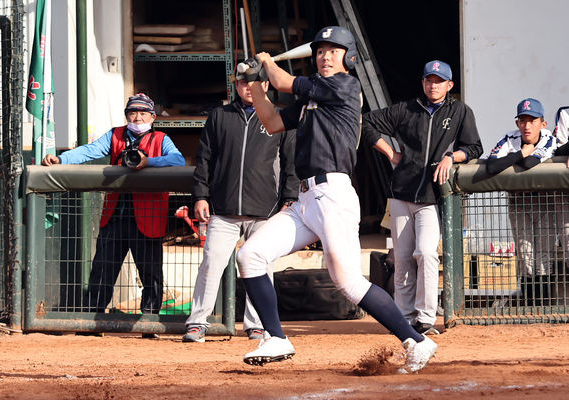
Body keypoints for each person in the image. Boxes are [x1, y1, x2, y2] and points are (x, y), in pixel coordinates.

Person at [235, 26, 437, 373]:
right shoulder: (313, 95)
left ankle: (417, 341)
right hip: (306, 199)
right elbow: (269, 121)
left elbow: (283, 83)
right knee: (251, 254)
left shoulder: (344, 85)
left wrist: (266, 61)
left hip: (333, 194)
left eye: (333, 50)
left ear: (348, 57)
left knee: (348, 282)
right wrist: (254, 80)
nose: (325, 56)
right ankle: (276, 336)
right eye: (320, 51)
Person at [41, 93, 186, 327]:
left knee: (151, 273)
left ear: (152, 116)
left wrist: (148, 162)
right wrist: (62, 159)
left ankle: (149, 321)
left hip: (148, 219)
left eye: (142, 113)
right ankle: (90, 320)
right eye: (132, 112)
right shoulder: (115, 134)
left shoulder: (162, 138)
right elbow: (89, 150)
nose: (137, 117)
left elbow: (178, 161)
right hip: (114, 217)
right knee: (102, 270)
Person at [363, 60, 483, 335]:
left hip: (430, 197)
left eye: (439, 80)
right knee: (403, 259)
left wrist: (451, 157)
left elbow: (474, 147)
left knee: (427, 254)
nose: (433, 84)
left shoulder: (460, 110)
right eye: (429, 79)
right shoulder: (407, 109)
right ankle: (403, 319)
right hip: (400, 194)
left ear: (449, 85)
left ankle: (426, 319)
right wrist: (391, 153)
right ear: (423, 82)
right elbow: (366, 122)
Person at [182, 74, 298, 343]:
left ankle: (256, 324)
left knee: (261, 267)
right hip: (224, 209)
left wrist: (289, 199)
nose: (249, 88)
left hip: (266, 209)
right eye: (244, 82)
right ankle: (198, 322)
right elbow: (204, 160)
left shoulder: (282, 118)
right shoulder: (219, 116)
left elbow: (291, 164)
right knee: (211, 263)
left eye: (256, 82)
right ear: (235, 85)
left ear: (267, 86)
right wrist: (201, 196)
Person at [487, 98, 557, 305]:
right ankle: (529, 306)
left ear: (542, 124)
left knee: (544, 257)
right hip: (518, 200)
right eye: (523, 120)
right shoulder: (510, 137)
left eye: (532, 120)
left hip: (544, 201)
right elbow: (491, 166)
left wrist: (517, 158)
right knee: (525, 256)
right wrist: (520, 153)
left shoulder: (548, 138)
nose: (527, 126)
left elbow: (529, 163)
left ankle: (544, 307)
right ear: (517, 123)